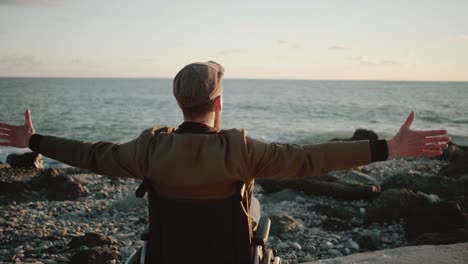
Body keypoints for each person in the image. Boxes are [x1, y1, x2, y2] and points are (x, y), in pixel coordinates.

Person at [0, 61, 450, 260]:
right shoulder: (243, 150)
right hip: (232, 256)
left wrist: (35, 140)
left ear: (179, 102)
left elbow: (91, 155)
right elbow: (312, 159)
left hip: (168, 254)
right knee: (253, 211)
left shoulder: (149, 149)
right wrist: (389, 148)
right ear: (219, 102)